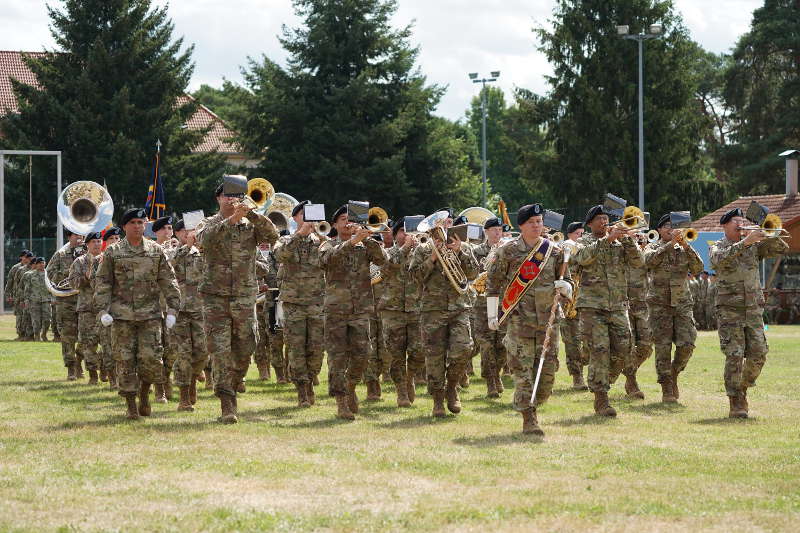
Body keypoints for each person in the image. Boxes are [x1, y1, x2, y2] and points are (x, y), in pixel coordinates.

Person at [196, 179, 279, 424]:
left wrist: (252, 214)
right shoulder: (209, 223)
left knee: (246, 345)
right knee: (220, 351)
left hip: (244, 295)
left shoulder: (251, 224)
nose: (231, 199)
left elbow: (272, 235)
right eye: (226, 195)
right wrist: (231, 220)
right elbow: (202, 241)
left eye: (236, 195)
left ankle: (236, 380)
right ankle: (227, 404)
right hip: (215, 297)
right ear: (218, 199)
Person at [486, 204, 573, 435]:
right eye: (532, 222)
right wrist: (493, 314)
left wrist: (567, 288)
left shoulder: (554, 251)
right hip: (518, 321)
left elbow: (567, 281)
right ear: (521, 226)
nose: (537, 225)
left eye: (539, 221)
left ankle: (535, 404)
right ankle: (529, 417)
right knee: (522, 373)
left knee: (546, 377)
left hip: (548, 323)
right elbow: (493, 283)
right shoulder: (508, 251)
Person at [95, 208, 181, 420]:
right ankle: (131, 404)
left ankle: (144, 393)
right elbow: (103, 282)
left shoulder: (155, 250)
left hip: (150, 315)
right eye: (133, 222)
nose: (137, 226)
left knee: (151, 359)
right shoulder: (113, 252)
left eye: (141, 222)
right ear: (124, 226)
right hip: (121, 316)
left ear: (146, 226)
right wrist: (102, 310)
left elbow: (168, 280)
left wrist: (173, 309)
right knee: (125, 361)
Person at [710, 207, 788, 418]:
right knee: (734, 356)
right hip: (729, 311)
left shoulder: (755, 246)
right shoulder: (718, 246)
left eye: (742, 220)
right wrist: (745, 242)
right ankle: (735, 401)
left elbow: (781, 248)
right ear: (724, 225)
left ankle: (742, 387)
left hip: (753, 309)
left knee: (759, 354)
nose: (740, 223)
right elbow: (716, 261)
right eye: (735, 220)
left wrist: (768, 232)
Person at [572, 205, 644, 417]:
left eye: (606, 218)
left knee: (624, 347)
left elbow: (639, 262)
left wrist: (628, 238)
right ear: (590, 223)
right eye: (599, 219)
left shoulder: (622, 242)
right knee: (600, 351)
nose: (604, 222)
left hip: (618, 305)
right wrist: (608, 239)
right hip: (593, 306)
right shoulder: (584, 242)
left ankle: (604, 381)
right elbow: (582, 258)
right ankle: (601, 399)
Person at [319, 205, 388, 420]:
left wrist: (365, 237)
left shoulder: (365, 245)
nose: (347, 223)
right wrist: (353, 241)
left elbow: (384, 260)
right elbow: (326, 260)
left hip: (360, 310)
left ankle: (350, 386)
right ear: (335, 225)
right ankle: (341, 401)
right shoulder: (327, 244)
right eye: (342, 220)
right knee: (337, 357)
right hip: (336, 310)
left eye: (350, 219)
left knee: (363, 354)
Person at [409, 207, 479, 417]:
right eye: (442, 223)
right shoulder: (423, 248)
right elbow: (413, 277)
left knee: (464, 349)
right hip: (432, 309)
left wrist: (460, 252)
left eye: (448, 223)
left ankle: (452, 387)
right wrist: (431, 258)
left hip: (459, 307)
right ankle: (438, 399)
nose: (445, 226)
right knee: (434, 357)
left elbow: (474, 272)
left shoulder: (463, 246)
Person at [644, 214, 704, 403]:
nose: (673, 229)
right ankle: (666, 387)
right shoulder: (652, 245)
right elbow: (648, 262)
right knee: (662, 347)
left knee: (687, 343)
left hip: (682, 303)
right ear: (660, 229)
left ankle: (674, 371)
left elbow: (698, 268)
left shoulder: (684, 247)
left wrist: (686, 246)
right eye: (668, 226)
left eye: (675, 226)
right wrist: (669, 245)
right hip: (659, 304)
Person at [273, 200, 327, 407]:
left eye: (311, 214)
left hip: (316, 303)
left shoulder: (322, 241)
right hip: (294, 304)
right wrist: (300, 235)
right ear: (295, 218)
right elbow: (279, 255)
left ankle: (311, 378)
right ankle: (302, 390)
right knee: (295, 348)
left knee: (316, 348)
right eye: (303, 215)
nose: (308, 219)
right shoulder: (285, 239)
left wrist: (320, 236)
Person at [377, 217, 423, 407]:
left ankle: (410, 376)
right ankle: (401, 391)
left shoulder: (422, 253)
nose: (407, 234)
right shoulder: (387, 252)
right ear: (395, 235)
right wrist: (405, 249)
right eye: (403, 231)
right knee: (396, 355)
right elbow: (386, 268)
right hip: (392, 310)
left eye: (410, 230)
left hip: (417, 309)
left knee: (419, 351)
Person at [170, 219, 208, 412]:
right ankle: (183, 397)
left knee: (202, 352)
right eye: (184, 230)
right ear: (177, 233)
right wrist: (188, 246)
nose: (189, 233)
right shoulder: (172, 250)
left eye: (192, 230)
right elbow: (170, 264)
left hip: (201, 309)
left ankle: (193, 379)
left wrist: (200, 247)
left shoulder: (204, 251)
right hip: (179, 310)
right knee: (183, 354)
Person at [472, 216, 508, 398]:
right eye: (494, 230)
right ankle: (491, 381)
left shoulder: (508, 249)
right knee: (486, 344)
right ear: (486, 232)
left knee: (502, 344)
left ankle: (497, 373)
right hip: (483, 303)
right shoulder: (477, 251)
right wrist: (492, 256)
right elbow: (475, 273)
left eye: (500, 230)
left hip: (503, 302)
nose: (497, 232)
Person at [68, 231, 104, 385]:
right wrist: (86, 277)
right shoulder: (79, 262)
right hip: (87, 309)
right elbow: (72, 283)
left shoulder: (107, 259)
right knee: (89, 344)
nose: (97, 244)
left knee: (108, 343)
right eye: (93, 242)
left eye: (99, 241)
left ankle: (105, 369)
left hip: (105, 309)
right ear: (87, 244)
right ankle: (93, 375)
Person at [48, 230, 85, 380]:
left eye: (82, 235)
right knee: (68, 336)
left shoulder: (88, 252)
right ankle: (71, 368)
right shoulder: (60, 254)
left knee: (86, 335)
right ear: (69, 237)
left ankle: (79, 361)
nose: (79, 238)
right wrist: (69, 274)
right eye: (76, 235)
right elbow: (50, 273)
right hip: (66, 301)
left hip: (84, 299)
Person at [622, 232, 653, 399]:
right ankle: (632, 380)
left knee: (646, 345)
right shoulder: (619, 246)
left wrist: (641, 244)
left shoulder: (646, 249)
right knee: (627, 345)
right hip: (622, 303)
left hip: (642, 303)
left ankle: (629, 372)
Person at [559, 222, 588, 390]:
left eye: (583, 233)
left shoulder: (586, 249)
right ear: (570, 235)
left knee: (590, 343)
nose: (581, 237)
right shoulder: (565, 249)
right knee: (573, 342)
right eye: (578, 234)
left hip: (587, 301)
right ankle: (578, 376)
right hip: (570, 302)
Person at [151, 215, 176, 403]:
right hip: (152, 307)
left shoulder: (179, 249)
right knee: (155, 349)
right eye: (164, 229)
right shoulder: (150, 250)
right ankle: (159, 389)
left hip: (172, 308)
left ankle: (166, 380)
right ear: (156, 232)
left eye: (170, 228)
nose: (168, 232)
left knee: (172, 350)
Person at [98, 227, 121, 389]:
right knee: (108, 345)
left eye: (117, 238)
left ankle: (124, 378)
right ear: (106, 242)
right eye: (111, 239)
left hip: (124, 309)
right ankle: (112, 378)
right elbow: (97, 286)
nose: (115, 241)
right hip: (106, 309)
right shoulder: (100, 260)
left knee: (123, 347)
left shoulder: (126, 257)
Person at [19, 257, 52, 342]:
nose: (41, 264)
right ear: (36, 265)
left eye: (43, 262)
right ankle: (37, 336)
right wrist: (26, 300)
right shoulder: (30, 275)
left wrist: (54, 298)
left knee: (47, 319)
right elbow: (27, 288)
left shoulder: (49, 274)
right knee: (36, 320)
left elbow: (53, 287)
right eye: (39, 263)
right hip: (34, 300)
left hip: (46, 300)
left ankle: (44, 334)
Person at [5, 250, 34, 341]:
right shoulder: (16, 268)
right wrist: (8, 295)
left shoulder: (33, 267)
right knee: (20, 315)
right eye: (25, 257)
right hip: (18, 295)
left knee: (29, 315)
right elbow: (10, 282)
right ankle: (20, 334)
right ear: (21, 257)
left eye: (29, 257)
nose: (27, 259)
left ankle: (29, 335)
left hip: (30, 296)